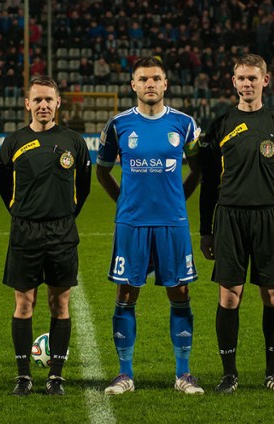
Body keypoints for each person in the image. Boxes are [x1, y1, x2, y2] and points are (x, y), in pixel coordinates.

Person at [96, 56, 204, 395]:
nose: (150, 84)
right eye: (143, 79)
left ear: (166, 83)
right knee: (126, 294)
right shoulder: (117, 125)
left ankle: (183, 374)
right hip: (132, 223)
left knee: (180, 292)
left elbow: (199, 169)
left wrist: (177, 202)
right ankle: (124, 374)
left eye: (156, 78)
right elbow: (101, 171)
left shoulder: (185, 124)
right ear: (133, 85)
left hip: (172, 224)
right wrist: (124, 202)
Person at [199, 53, 274, 394]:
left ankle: (273, 373)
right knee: (230, 298)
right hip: (229, 217)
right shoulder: (221, 123)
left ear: (265, 81)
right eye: (241, 78)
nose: (247, 84)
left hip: (271, 217)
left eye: (253, 78)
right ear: (233, 82)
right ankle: (229, 375)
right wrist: (206, 229)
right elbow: (209, 182)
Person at [0, 76, 91, 396]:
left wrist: (67, 211)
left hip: (62, 230)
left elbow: (84, 185)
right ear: (27, 104)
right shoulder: (13, 142)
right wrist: (17, 208)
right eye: (37, 100)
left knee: (59, 303)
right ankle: (23, 376)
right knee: (24, 303)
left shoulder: (74, 142)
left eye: (49, 100)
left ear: (58, 102)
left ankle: (56, 377)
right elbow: (2, 177)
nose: (43, 105)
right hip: (26, 231)